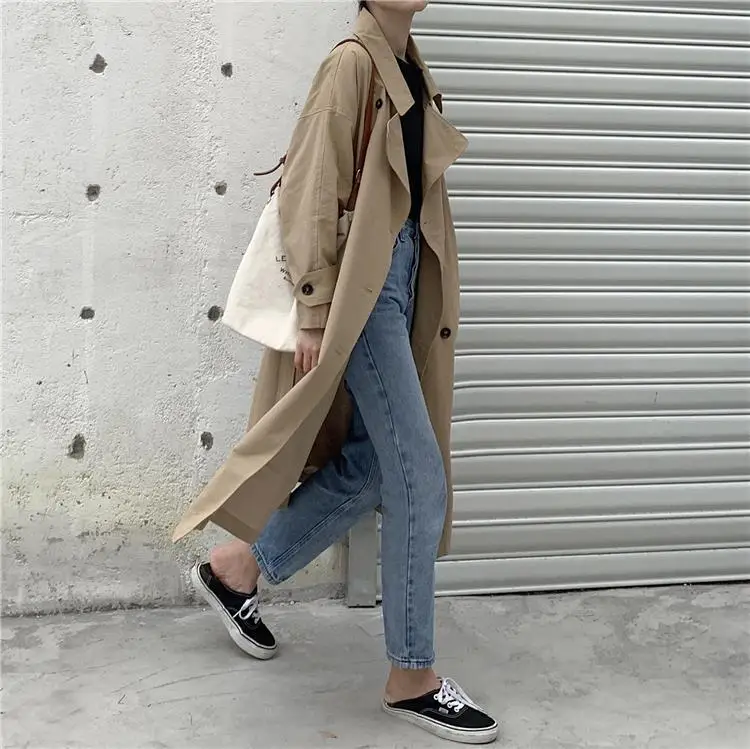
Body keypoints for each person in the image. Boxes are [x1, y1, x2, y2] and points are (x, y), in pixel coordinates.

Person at [177, 1, 498, 744]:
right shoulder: (352, 63)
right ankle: (412, 675)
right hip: (364, 291)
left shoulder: (409, 67)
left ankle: (237, 568)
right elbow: (311, 187)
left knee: (376, 465)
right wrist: (317, 308)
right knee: (419, 475)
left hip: (397, 281)